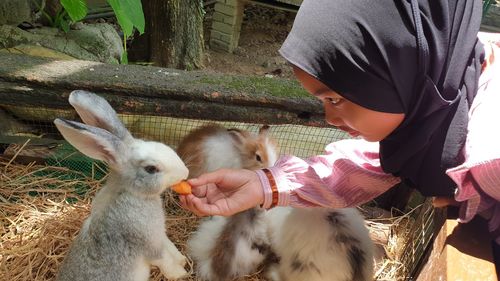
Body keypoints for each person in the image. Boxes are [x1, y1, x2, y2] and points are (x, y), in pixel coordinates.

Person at [180, 0, 500, 247]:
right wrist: (263, 184)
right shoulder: (444, 91)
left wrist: (484, 196)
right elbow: (361, 166)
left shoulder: (491, 150)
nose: (329, 118)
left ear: (392, 74)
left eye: (334, 99)